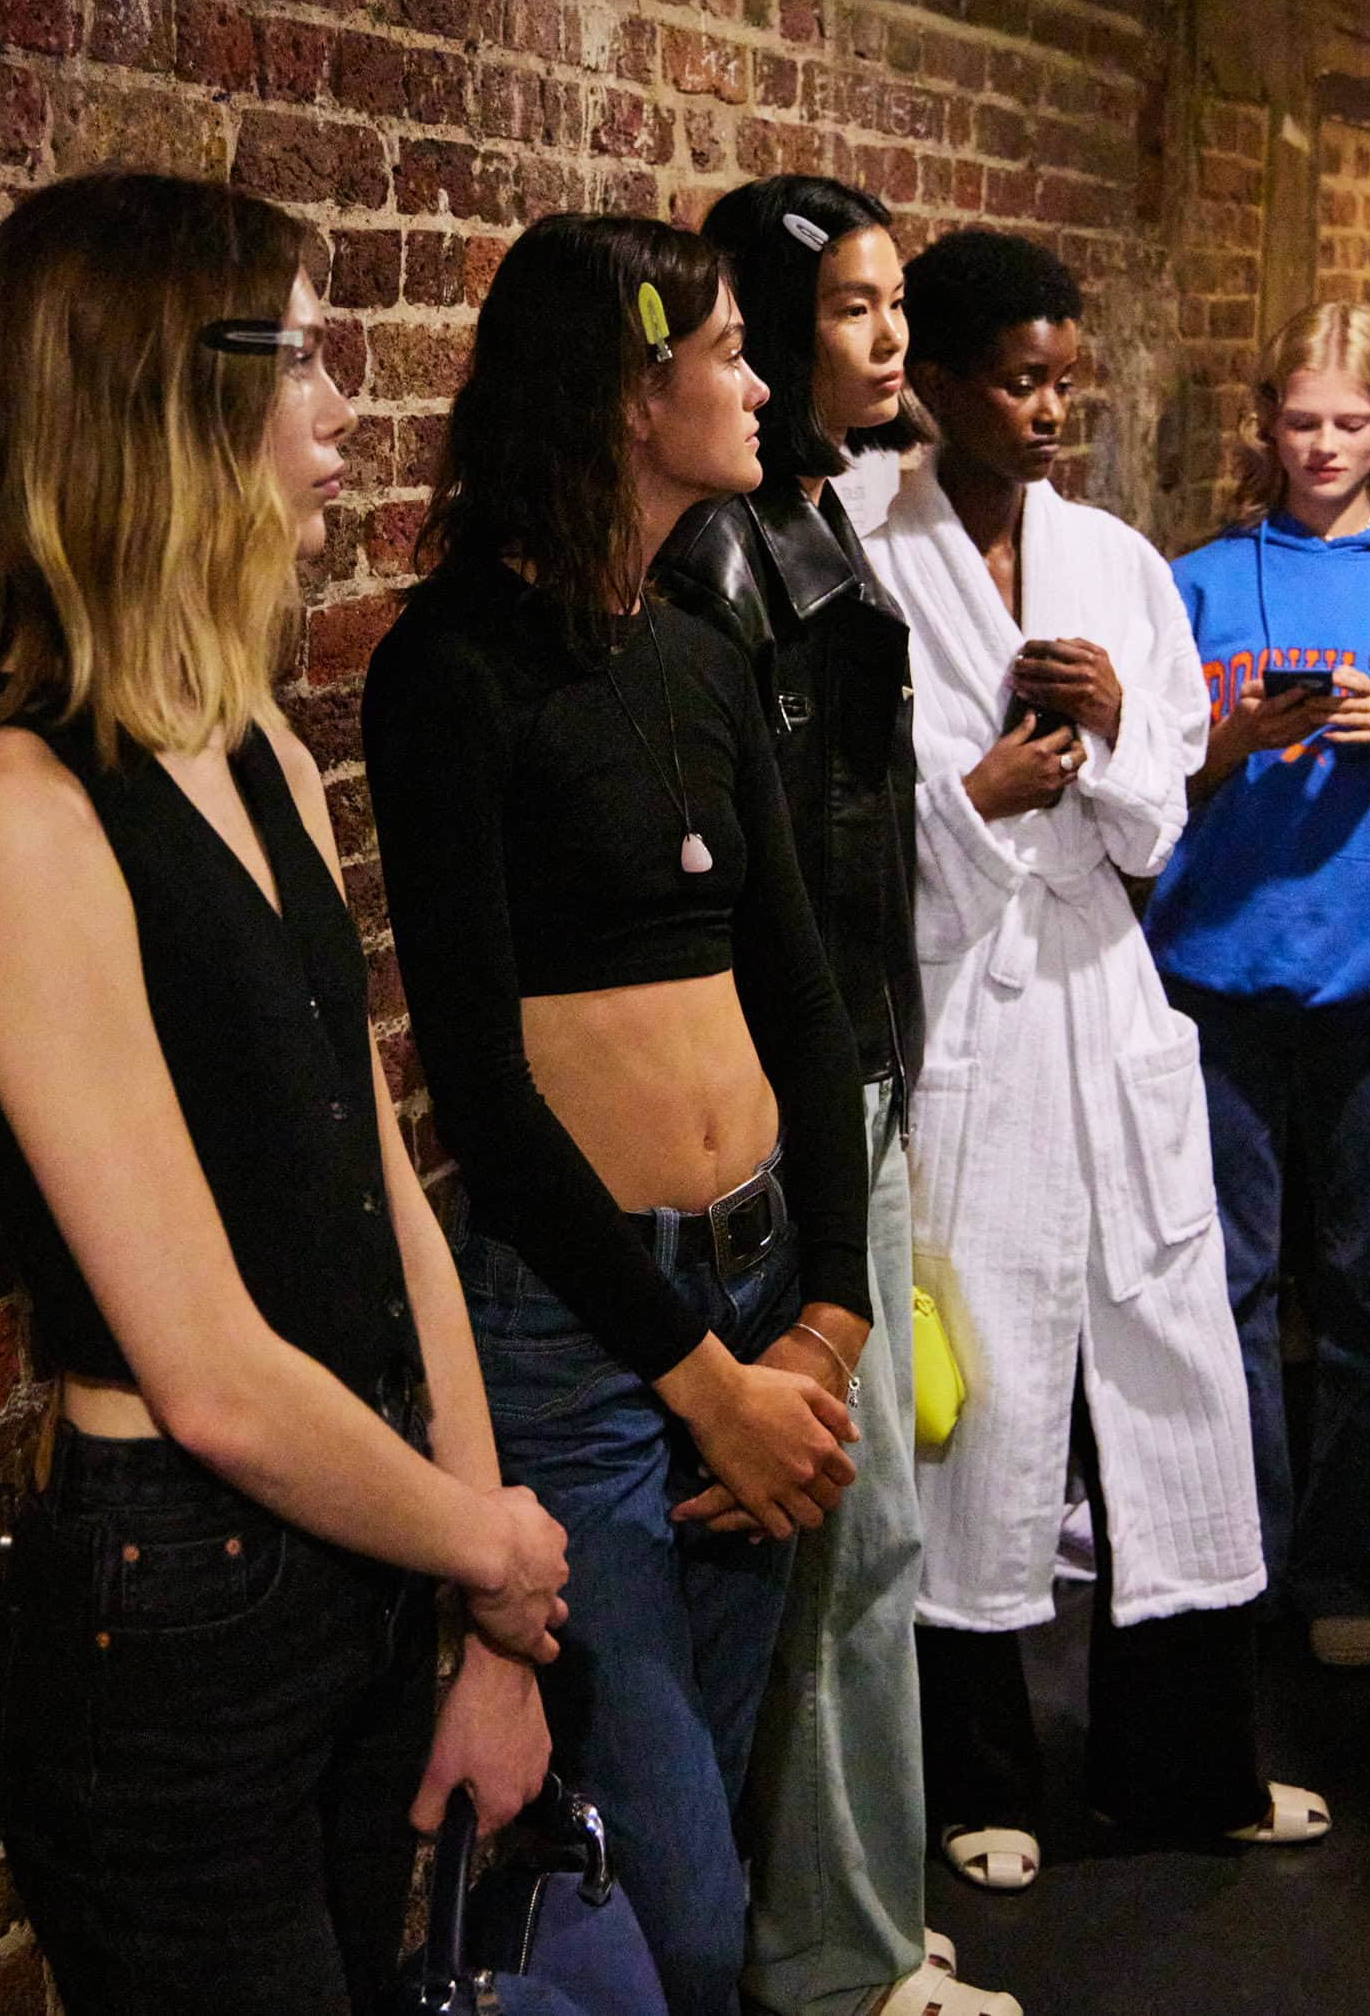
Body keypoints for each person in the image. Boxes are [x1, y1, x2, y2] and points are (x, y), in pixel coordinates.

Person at [0, 171, 569, 2016]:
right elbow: (206, 1366)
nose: (341, 411)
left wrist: (486, 1614)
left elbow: (384, 1198)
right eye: (301, 360)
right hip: (181, 1590)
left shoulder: (253, 741)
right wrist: (489, 1549)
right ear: (160, 400)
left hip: (364, 1537)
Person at [360, 213, 869, 2016]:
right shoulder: (452, 668)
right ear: (631, 390)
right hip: (592, 1340)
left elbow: (805, 1006)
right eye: (729, 353)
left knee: (708, 1806)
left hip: (760, 1308)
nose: (761, 385)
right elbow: (489, 1107)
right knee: (676, 1890)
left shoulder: (700, 650)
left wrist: (827, 1315)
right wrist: (704, 1384)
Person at [862, 227, 1325, 1888]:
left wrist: (1122, 726)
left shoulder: (1117, 562)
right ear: (936, 385)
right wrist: (977, 797)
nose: (1052, 411)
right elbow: (848, 819)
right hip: (971, 1006)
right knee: (979, 1407)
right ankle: (974, 1779)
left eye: (1068, 380)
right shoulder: (864, 556)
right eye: (1018, 382)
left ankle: (1185, 1768)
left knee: (1174, 1376)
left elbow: (1156, 826)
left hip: (1106, 1003)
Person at [654, 177, 1016, 2016]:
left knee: (863, 1533)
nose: (891, 340)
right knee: (842, 1531)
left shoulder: (813, 517)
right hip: (801, 1089)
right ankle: (835, 1954)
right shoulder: (731, 558)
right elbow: (760, 882)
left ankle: (844, 1917)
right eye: (856, 309)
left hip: (850, 1066)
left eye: (896, 306)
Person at [1145, 302, 1370, 1668]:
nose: (1326, 446)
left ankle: (1351, 1563)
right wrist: (1237, 739)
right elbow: (1149, 793)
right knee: (1224, 1287)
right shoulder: (1199, 583)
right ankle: (1238, 1549)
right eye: (1302, 420)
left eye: (1351, 422)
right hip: (1219, 972)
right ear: (1266, 425)